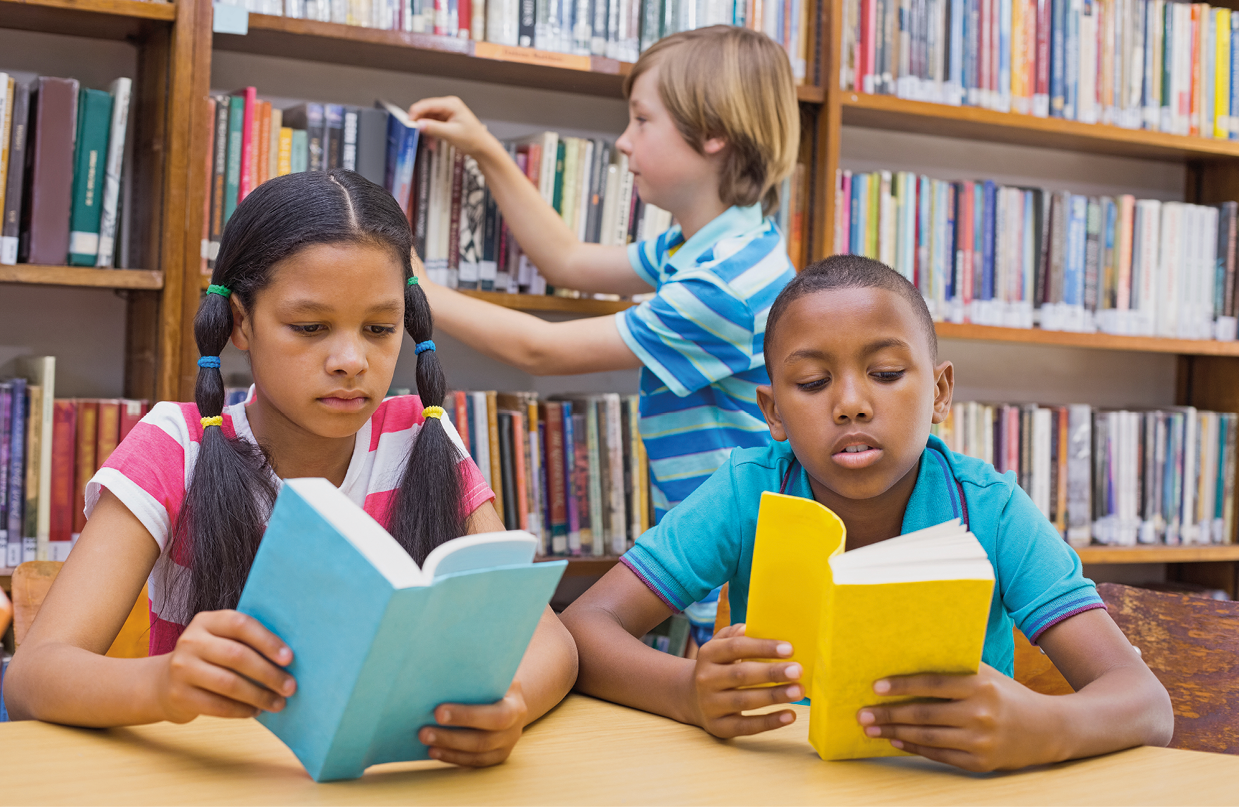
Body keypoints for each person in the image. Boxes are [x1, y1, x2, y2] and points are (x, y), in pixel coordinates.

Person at [4, 170, 577, 768]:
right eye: (309, 328)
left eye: (380, 330)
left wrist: (510, 705)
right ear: (242, 325)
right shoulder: (176, 447)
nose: (351, 360)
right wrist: (162, 683)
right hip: (214, 779)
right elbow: (30, 679)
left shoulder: (420, 435)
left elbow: (551, 643)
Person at [560, 255, 1174, 772]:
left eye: (884, 373)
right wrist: (686, 690)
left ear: (938, 392)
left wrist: (1043, 727)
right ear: (772, 411)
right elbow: (587, 625)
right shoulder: (748, 491)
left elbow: (1146, 704)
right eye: (811, 382)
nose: (851, 404)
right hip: (781, 781)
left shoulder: (993, 509)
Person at [407, 25, 800, 519]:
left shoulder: (724, 285)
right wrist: (485, 148)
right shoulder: (707, 245)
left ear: (713, 132)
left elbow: (540, 350)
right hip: (707, 522)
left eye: (641, 121)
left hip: (731, 539)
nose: (623, 141)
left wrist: (412, 285)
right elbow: (566, 260)